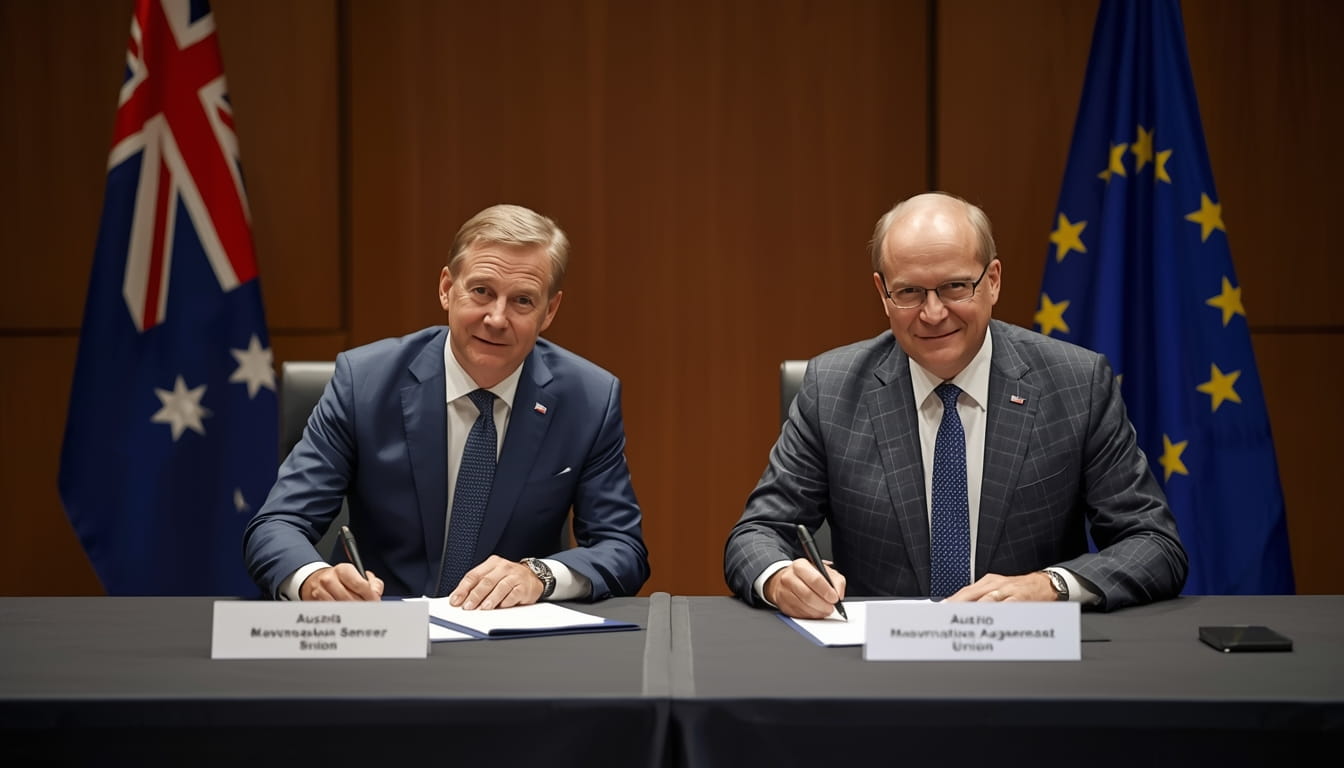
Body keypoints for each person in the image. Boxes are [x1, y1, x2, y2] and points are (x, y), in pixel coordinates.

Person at [724, 192, 1187, 618]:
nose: (932, 313)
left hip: (1031, 668)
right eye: (909, 292)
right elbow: (755, 536)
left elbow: (1153, 544)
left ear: (993, 281)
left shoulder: (1075, 384)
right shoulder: (833, 388)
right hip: (878, 674)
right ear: (883, 294)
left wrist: (1052, 586)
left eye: (954, 287)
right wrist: (781, 578)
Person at [244, 203, 649, 606]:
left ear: (549, 311)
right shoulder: (364, 382)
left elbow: (623, 548)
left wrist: (539, 575)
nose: (496, 317)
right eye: (481, 291)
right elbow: (278, 524)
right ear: (445, 288)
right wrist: (313, 580)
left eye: (522, 300)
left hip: (513, 641)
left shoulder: (588, 399)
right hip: (381, 630)